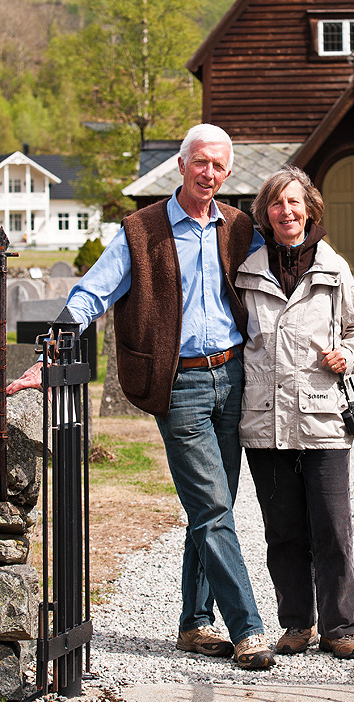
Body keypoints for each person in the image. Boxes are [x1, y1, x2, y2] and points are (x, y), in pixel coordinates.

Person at [7, 124, 274, 669]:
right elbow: (93, 291)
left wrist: (350, 310)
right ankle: (248, 629)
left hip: (233, 379)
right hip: (179, 384)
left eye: (218, 166)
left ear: (227, 172)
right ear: (181, 164)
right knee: (213, 506)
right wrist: (51, 354)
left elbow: (286, 268)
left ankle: (194, 624)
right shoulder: (142, 229)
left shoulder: (240, 226)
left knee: (211, 508)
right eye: (200, 162)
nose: (208, 174)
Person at [235, 165, 354, 660]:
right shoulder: (246, 271)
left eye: (294, 202)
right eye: (276, 203)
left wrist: (349, 354)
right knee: (283, 533)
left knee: (333, 529)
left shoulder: (334, 270)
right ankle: (297, 624)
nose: (286, 211)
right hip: (265, 423)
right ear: (265, 214)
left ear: (310, 209)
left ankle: (340, 627)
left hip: (323, 420)